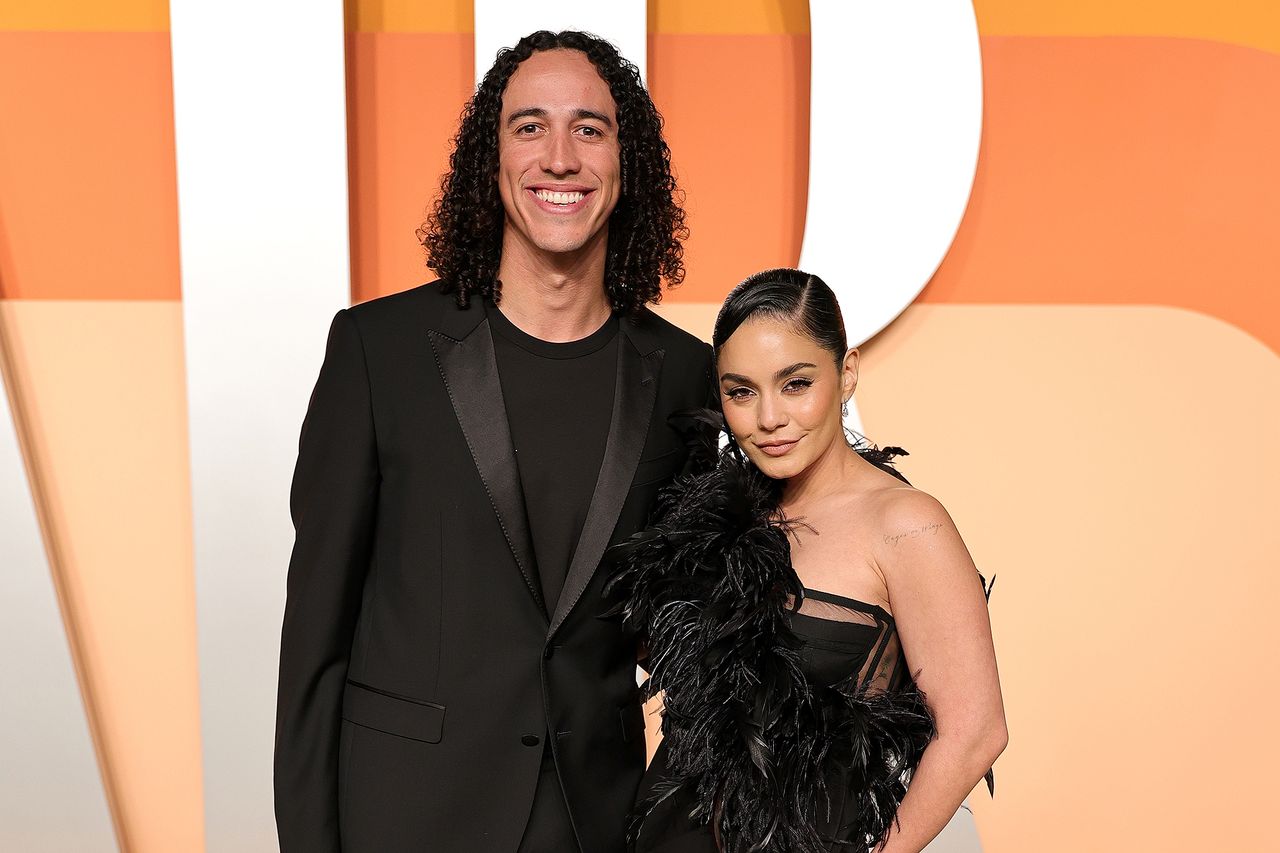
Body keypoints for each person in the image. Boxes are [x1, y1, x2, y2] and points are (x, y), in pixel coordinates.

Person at [273, 30, 712, 853]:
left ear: (629, 162)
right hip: (405, 820)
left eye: (589, 128)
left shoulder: (686, 377)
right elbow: (314, 641)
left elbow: (693, 641)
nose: (559, 157)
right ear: (492, 158)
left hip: (599, 825)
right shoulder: (380, 351)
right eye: (528, 126)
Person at [607, 269, 1007, 852]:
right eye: (741, 391)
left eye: (795, 384)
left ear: (846, 374)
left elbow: (975, 731)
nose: (769, 418)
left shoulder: (905, 524)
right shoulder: (716, 516)